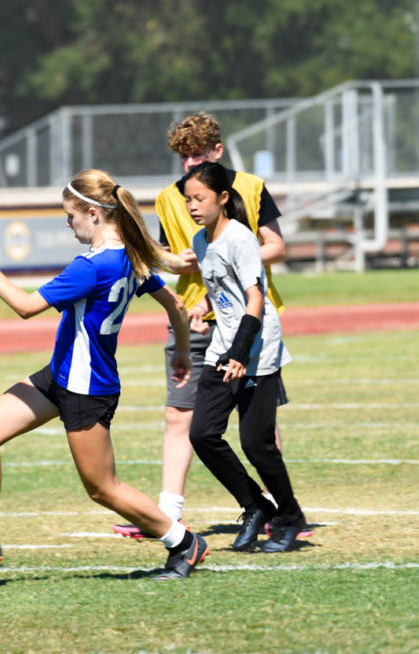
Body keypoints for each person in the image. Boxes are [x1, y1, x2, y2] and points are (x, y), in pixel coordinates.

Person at [0, 169, 209, 580]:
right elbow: (175, 305)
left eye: (70, 215)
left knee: (103, 489)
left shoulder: (91, 266)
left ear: (94, 214)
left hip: (86, 387)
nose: (67, 222)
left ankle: (184, 543)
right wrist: (182, 351)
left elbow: (25, 306)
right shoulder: (132, 257)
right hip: (60, 377)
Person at [112, 111, 304, 541]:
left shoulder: (250, 193)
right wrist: (174, 265)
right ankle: (168, 515)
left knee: (259, 430)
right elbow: (164, 254)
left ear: (218, 152)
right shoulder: (171, 199)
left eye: (198, 154)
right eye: (184, 157)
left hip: (249, 327)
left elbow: (272, 251)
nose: (191, 164)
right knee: (184, 419)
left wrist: (230, 255)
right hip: (197, 319)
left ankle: (279, 510)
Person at [183, 161, 307, 552]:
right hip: (224, 346)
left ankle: (289, 515)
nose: (192, 206)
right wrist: (202, 309)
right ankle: (255, 506)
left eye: (199, 198)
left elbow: (255, 297)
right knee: (202, 434)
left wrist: (240, 354)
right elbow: (224, 290)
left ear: (222, 198)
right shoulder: (201, 241)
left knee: (257, 444)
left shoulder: (240, 238)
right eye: (187, 199)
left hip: (255, 350)